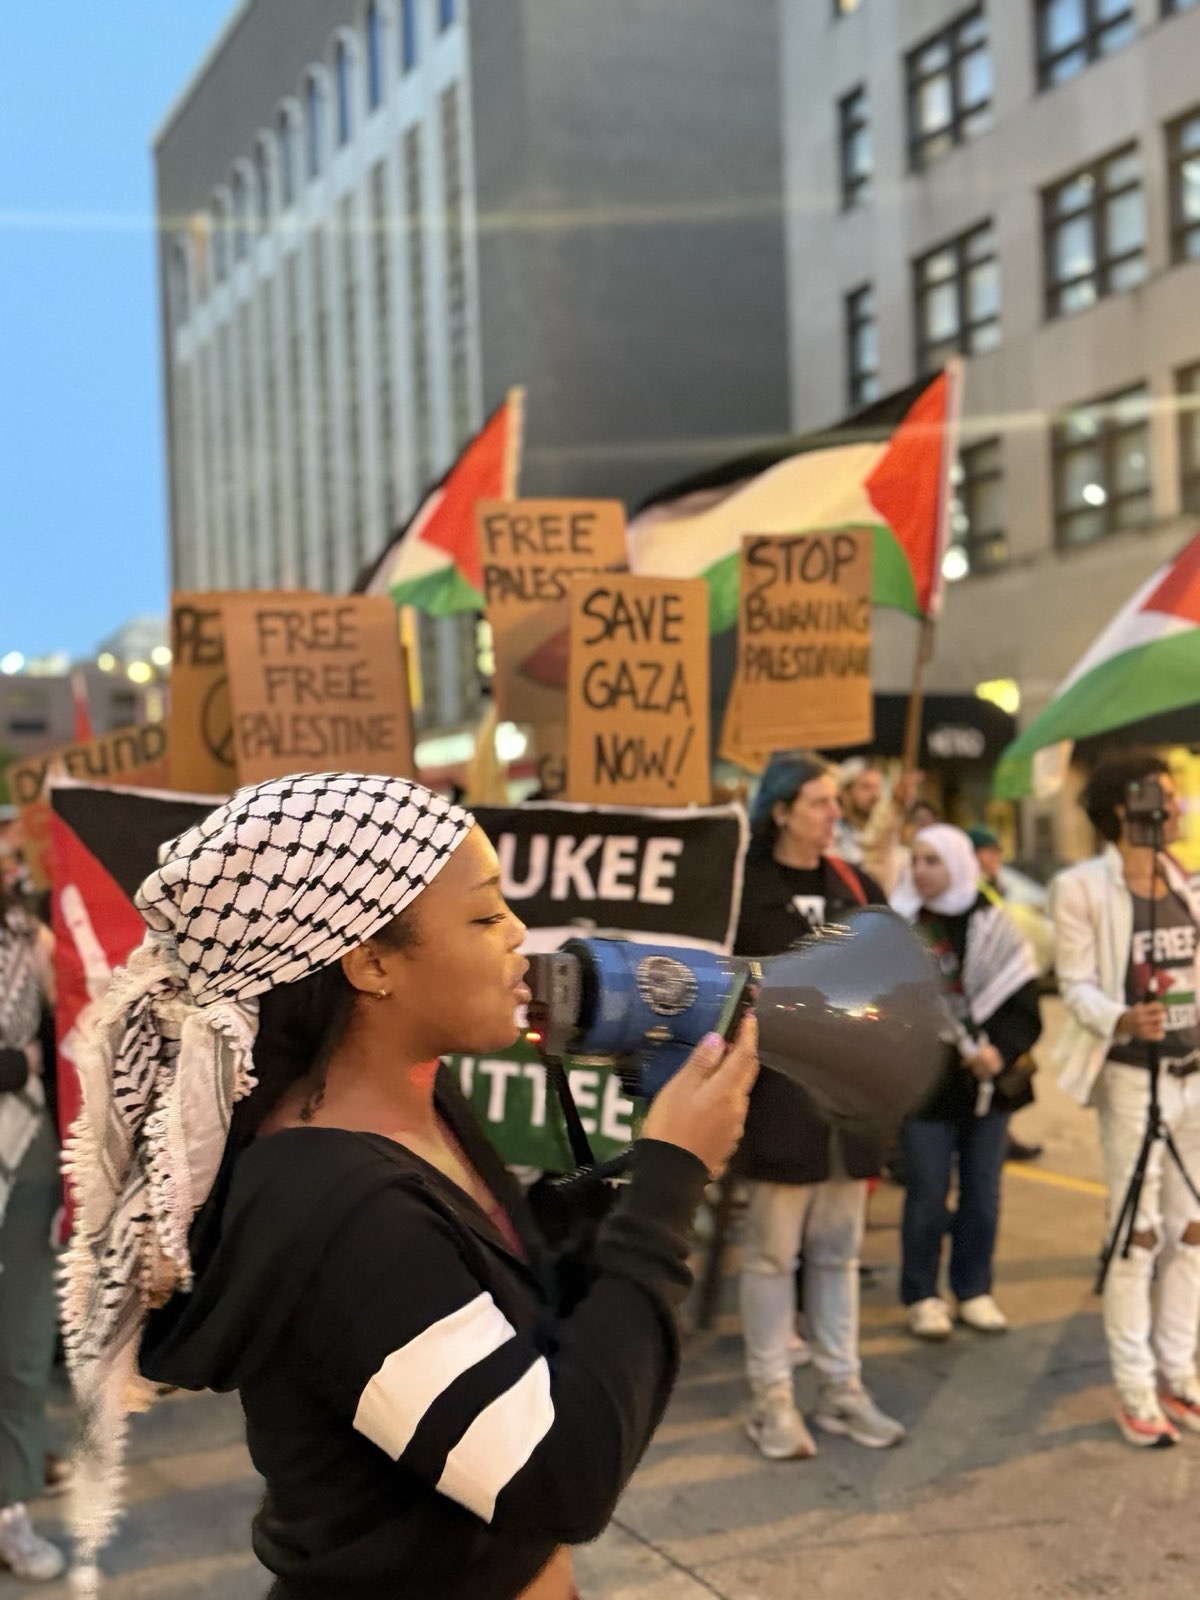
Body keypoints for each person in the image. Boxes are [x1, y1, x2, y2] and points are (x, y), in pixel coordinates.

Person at [61, 774, 758, 1599]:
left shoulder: (422, 1110)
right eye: (485, 914)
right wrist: (671, 1184)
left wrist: (615, 1199)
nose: (519, 935)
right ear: (372, 961)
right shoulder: (339, 1209)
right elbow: (560, 1476)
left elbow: (528, 1338)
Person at [734, 754, 905, 1461]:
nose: (835, 813)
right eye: (818, 802)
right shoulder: (744, 890)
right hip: (779, 1092)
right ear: (779, 811)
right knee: (773, 1252)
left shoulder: (854, 884)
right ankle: (771, 1398)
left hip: (845, 1097)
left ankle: (841, 1389)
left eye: (837, 802)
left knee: (837, 1250)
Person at [1050, 752, 1200, 1448]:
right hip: (1132, 1077)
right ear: (1124, 808)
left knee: (1191, 1231)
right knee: (1136, 1237)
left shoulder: (1188, 884)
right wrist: (1119, 1017)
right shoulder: (1082, 887)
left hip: (1193, 1074)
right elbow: (1074, 982)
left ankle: (1179, 1370)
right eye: (1162, 798)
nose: (1173, 810)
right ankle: (1136, 1386)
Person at [895, 825, 1041, 1341]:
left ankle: (974, 1288)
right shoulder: (900, 926)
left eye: (932, 860)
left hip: (986, 1088)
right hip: (925, 1087)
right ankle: (922, 1294)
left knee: (983, 1192)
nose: (920, 870)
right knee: (927, 1193)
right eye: (915, 859)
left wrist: (996, 1052)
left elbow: (1025, 1008)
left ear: (958, 863)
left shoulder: (994, 922)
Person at [0, 882, 65, 1582]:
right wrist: (13, 1065)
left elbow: (86, 1016)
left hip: (26, 1162)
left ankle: (10, 1511)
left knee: (19, 1353)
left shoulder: (25, 936)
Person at [834, 759, 923, 897]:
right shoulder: (829, 836)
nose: (875, 795)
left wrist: (896, 804)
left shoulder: (886, 836)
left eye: (878, 787)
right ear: (845, 793)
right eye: (866, 787)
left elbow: (877, 841)